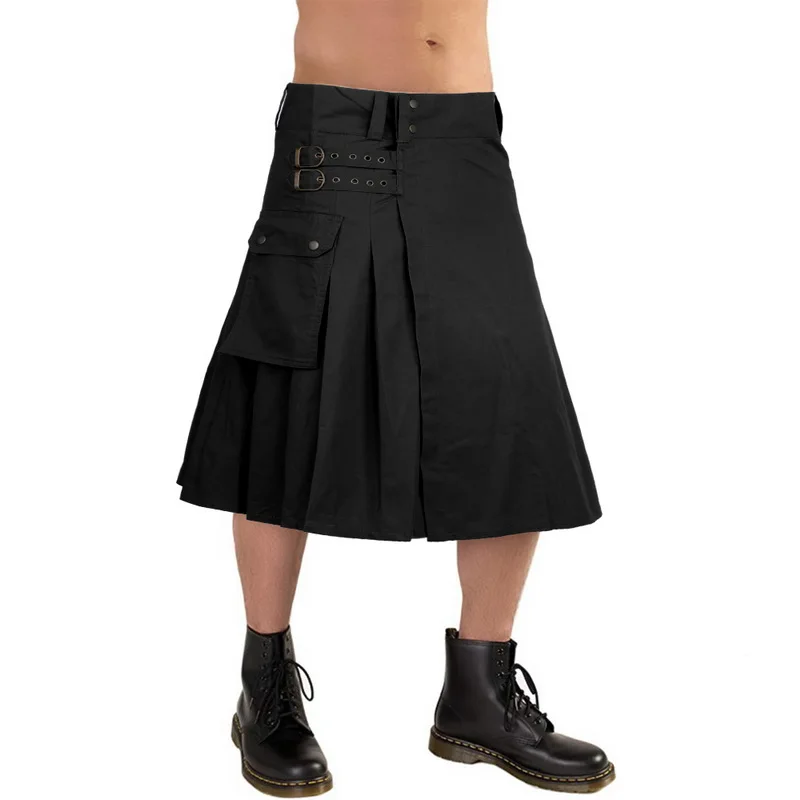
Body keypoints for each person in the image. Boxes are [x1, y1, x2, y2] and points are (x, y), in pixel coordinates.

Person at [177, 0, 614, 794]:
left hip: (463, 140)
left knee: (504, 395)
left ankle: (479, 698)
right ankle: (265, 691)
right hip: (335, 134)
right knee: (288, 398)